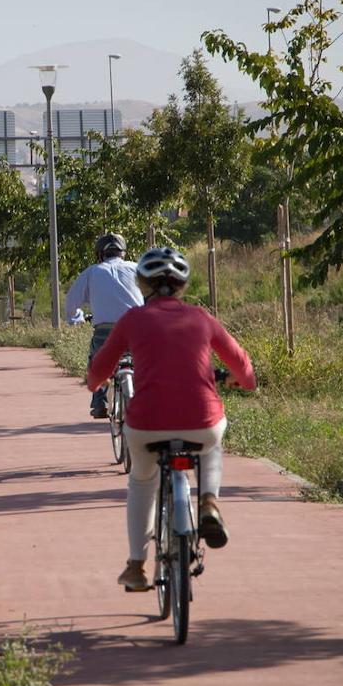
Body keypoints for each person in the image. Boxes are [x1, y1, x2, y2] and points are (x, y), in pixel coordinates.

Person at [86, 247, 256, 591]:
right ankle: (209, 502)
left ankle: (137, 566)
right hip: (201, 421)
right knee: (212, 441)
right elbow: (244, 370)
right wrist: (242, 380)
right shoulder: (201, 318)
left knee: (142, 482)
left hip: (146, 426)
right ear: (182, 285)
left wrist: (96, 381)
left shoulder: (132, 320)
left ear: (143, 284)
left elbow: (98, 373)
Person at [65, 232, 143, 419]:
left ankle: (100, 401)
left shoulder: (92, 272)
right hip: (138, 329)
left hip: (106, 331)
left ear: (100, 254)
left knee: (98, 361)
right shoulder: (137, 268)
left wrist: (76, 318)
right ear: (123, 253)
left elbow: (71, 301)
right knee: (146, 362)